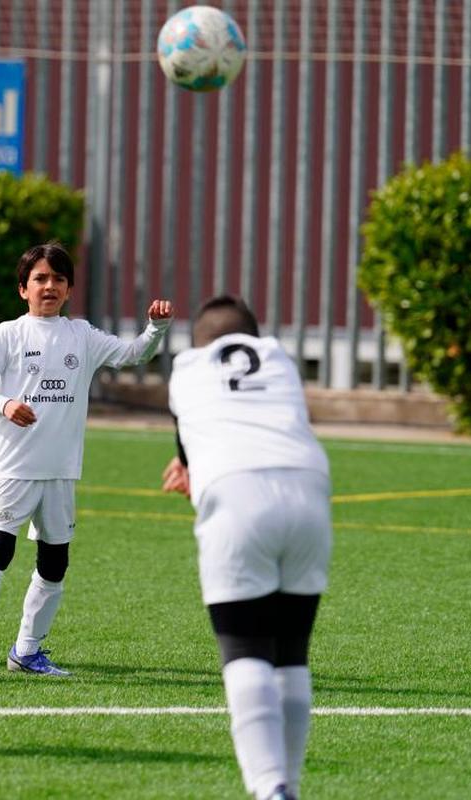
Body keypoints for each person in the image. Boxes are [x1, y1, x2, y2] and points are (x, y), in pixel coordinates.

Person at [0, 241, 173, 677]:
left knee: (54, 564)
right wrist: (4, 404)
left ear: (68, 289)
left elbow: (133, 355)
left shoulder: (82, 336)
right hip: (14, 469)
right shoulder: (9, 333)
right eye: (40, 279)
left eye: (57, 279)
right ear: (23, 289)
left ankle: (27, 650)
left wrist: (156, 329)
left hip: (61, 472)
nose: (48, 286)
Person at [161, 295, 331, 800]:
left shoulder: (187, 367)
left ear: (200, 342)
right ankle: (289, 787)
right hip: (308, 487)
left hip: (237, 495)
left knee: (245, 651)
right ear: (254, 337)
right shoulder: (279, 357)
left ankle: (268, 788)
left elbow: (186, 440)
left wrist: (187, 467)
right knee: (292, 654)